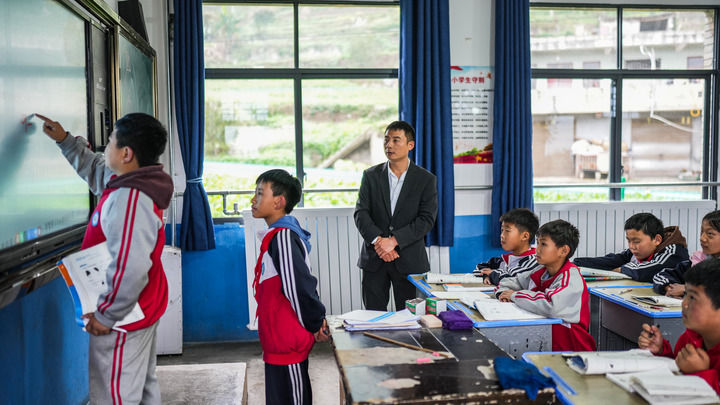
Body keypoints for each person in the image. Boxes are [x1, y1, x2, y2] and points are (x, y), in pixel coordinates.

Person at [37, 112, 172, 404]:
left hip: (124, 317)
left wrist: (107, 315)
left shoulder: (131, 198)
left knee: (115, 396)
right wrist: (66, 141)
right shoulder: (131, 182)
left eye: (110, 142)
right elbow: (98, 169)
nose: (105, 148)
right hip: (139, 308)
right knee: (141, 389)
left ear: (126, 154)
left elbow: (130, 267)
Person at [250, 169, 330, 405]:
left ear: (279, 202)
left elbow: (298, 286)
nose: (253, 199)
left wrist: (315, 323)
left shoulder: (283, 236)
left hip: (288, 342)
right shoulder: (275, 235)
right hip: (277, 343)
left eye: (259, 193)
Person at [354, 121, 438, 311]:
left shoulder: (426, 179)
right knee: (373, 316)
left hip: (409, 260)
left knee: (410, 318)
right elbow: (361, 213)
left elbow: (426, 219)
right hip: (375, 259)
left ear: (410, 145)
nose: (389, 145)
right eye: (386, 140)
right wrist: (379, 242)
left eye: (395, 140)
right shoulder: (371, 176)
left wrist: (393, 241)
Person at [496, 219, 596, 351]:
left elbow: (552, 306)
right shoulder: (540, 271)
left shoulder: (571, 277)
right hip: (547, 344)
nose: (536, 249)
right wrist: (501, 293)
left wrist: (515, 295)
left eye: (543, 244)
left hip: (572, 349)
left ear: (563, 250)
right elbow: (511, 282)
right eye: (537, 243)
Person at [638, 258, 720, 394]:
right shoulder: (690, 337)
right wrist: (660, 352)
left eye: (693, 298)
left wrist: (699, 373)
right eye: (685, 294)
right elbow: (678, 368)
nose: (684, 303)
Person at [574, 212, 689, 282]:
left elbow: (647, 270)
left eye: (636, 241)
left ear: (657, 240)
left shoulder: (673, 251)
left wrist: (621, 269)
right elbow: (615, 260)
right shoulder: (638, 250)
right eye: (629, 241)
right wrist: (578, 263)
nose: (631, 246)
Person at [654, 210, 720, 297]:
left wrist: (688, 289)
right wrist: (669, 288)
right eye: (702, 232)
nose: (702, 238)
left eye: (710, 234)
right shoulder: (698, 262)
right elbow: (661, 276)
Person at [475, 208, 542, 286]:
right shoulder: (503, 260)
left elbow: (514, 279)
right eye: (502, 230)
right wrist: (486, 275)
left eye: (507, 231)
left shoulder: (534, 261)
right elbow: (479, 268)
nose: (502, 235)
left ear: (525, 236)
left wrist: (492, 274)